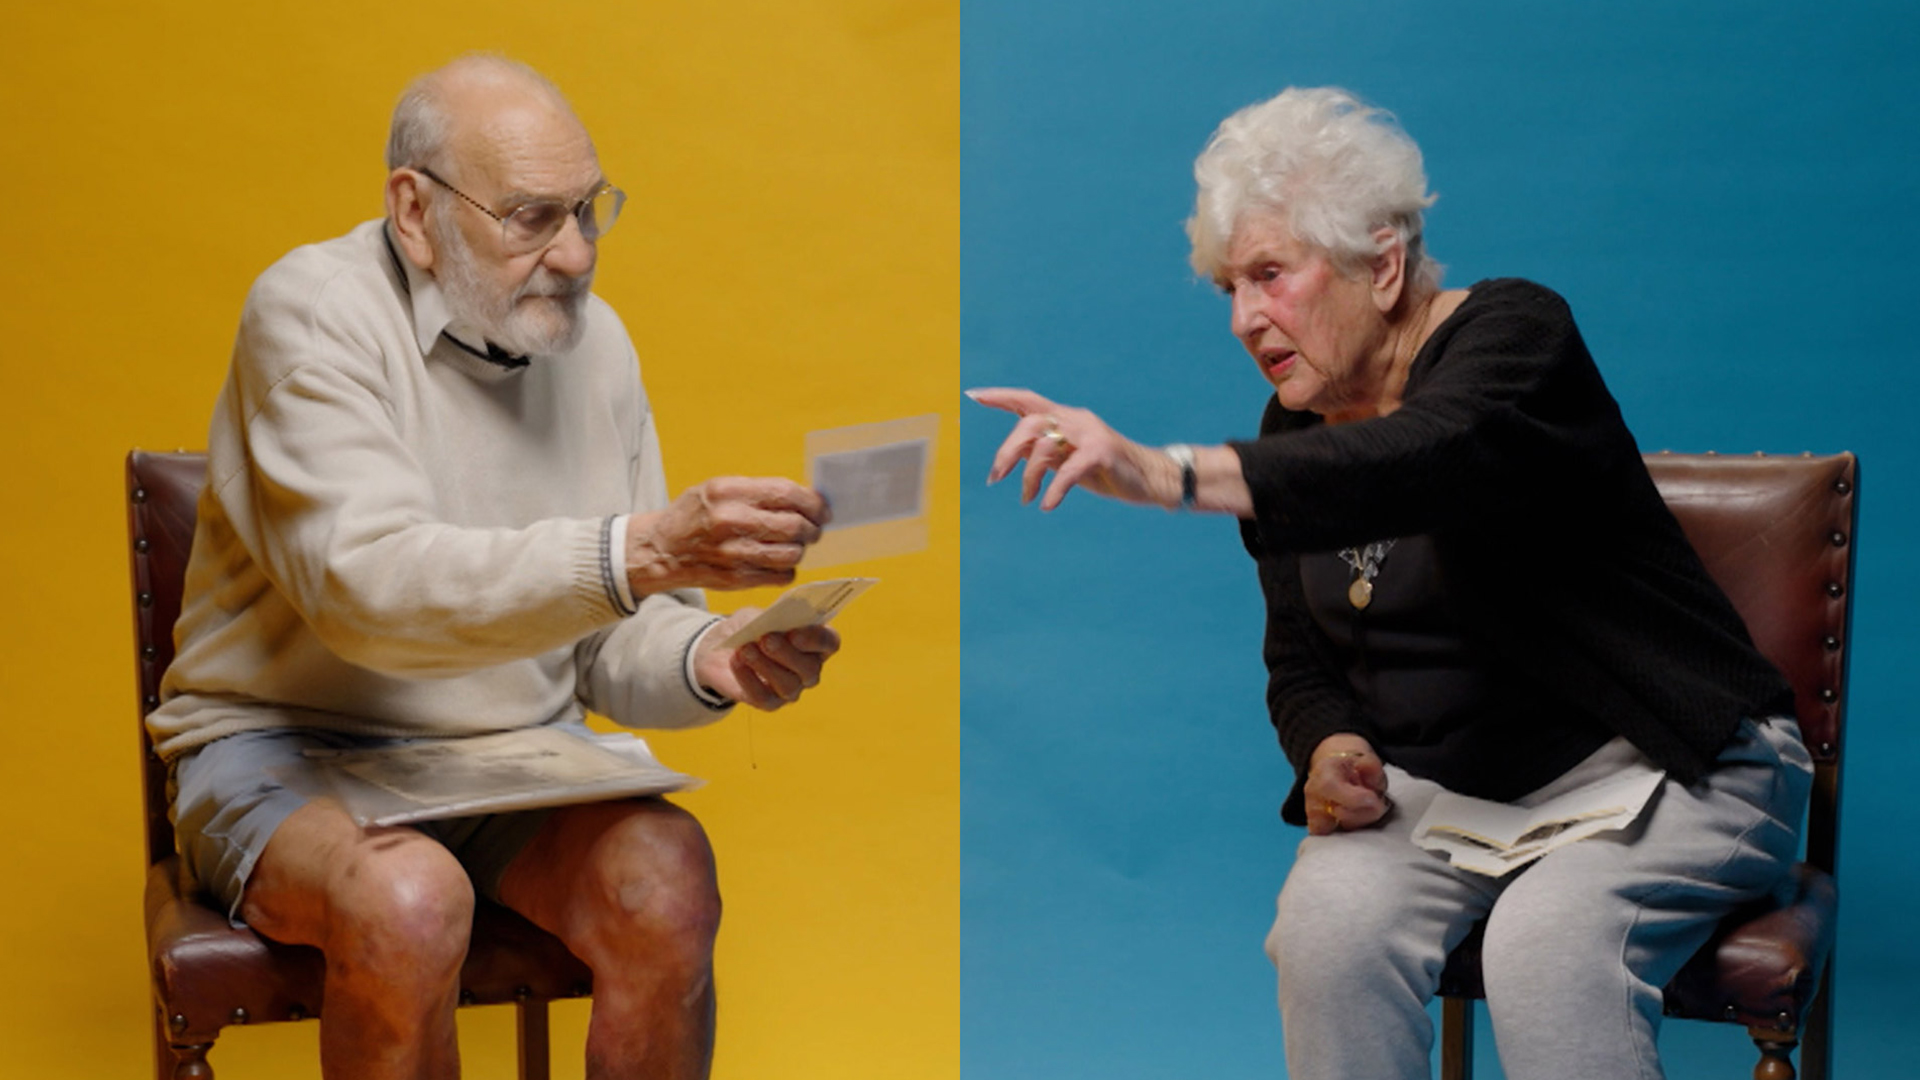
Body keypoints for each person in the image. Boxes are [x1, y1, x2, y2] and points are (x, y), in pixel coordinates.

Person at [971, 86, 1811, 1080]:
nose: (1245, 317)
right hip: (1462, 801)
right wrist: (1327, 746)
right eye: (1228, 287)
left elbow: (1430, 453)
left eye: (1271, 275)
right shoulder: (1292, 431)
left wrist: (1166, 473)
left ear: (1384, 265)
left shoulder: (1516, 341)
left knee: (1548, 944)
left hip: (1670, 768)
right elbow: (1300, 662)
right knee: (1325, 935)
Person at [149, 54, 841, 1080]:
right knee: (409, 899)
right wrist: (643, 549)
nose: (573, 254)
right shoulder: (310, 312)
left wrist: (707, 659)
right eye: (530, 217)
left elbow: (611, 638)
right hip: (289, 751)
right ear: (414, 210)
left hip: (505, 765)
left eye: (588, 211)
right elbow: (371, 598)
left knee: (668, 874)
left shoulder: (596, 347)